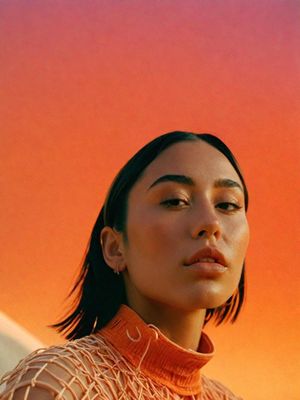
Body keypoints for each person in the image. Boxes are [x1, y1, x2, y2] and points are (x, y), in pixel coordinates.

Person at [0, 131, 249, 399]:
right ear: (114, 247)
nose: (210, 223)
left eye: (228, 204)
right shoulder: (58, 385)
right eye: (175, 201)